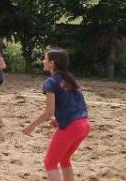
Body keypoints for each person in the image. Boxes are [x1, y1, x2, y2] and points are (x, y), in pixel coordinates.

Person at [22, 48, 90, 181]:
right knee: (64, 159)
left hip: (72, 126)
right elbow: (75, 103)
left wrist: (31, 126)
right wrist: (60, 120)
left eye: (45, 59)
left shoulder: (50, 82)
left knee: (50, 162)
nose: (43, 61)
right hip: (84, 124)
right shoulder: (69, 78)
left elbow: (49, 111)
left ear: (52, 63)